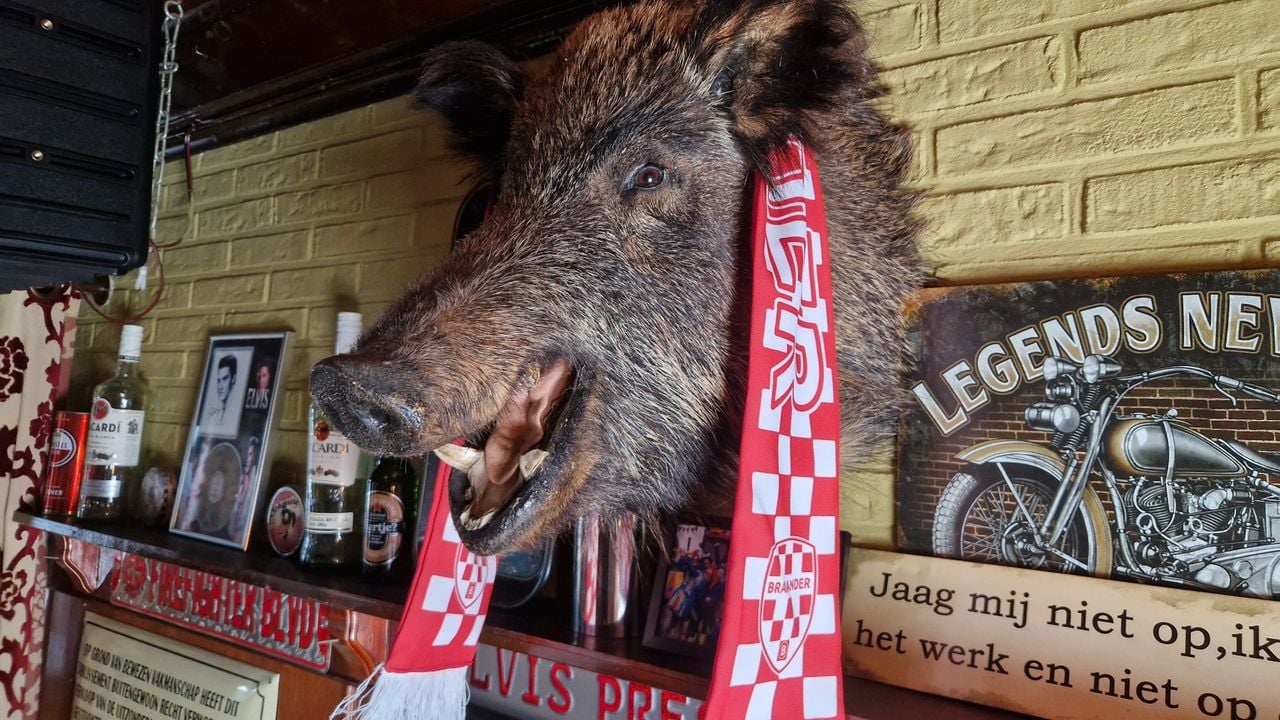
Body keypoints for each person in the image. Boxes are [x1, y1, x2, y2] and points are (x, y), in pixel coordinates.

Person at [204, 354, 239, 430]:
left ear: (233, 378)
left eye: (225, 379)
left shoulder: (235, 414)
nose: (220, 386)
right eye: (218, 380)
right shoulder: (213, 415)